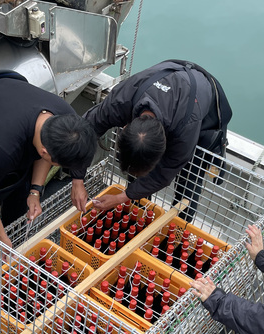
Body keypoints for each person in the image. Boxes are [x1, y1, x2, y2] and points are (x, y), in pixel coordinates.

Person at [70, 60, 231, 220]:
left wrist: (121, 197)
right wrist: (77, 179)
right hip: (165, 77)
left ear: (164, 148)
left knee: (188, 185)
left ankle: (178, 231)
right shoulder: (122, 100)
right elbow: (86, 129)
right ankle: (137, 217)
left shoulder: (185, 131)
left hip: (202, 108)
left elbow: (164, 173)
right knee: (137, 167)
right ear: (125, 128)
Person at [0, 76, 97, 248]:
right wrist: (1, 237)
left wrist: (35, 191)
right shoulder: (2, 149)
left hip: (11, 110)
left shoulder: (68, 121)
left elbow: (47, 153)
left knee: (19, 201)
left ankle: (13, 235)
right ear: (44, 153)